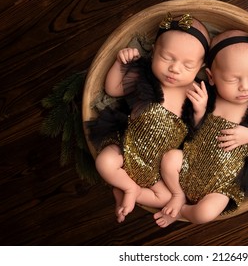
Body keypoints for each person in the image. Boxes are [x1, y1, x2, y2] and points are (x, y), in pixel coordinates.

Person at [154, 29, 248, 227]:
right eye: (232, 79)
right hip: (189, 162)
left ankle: (181, 211)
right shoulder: (209, 97)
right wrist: (199, 110)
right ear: (211, 77)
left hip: (222, 183)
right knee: (170, 158)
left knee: (205, 213)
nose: (245, 87)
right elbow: (192, 128)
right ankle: (177, 195)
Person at [86, 13, 210, 223]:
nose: (174, 68)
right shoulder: (145, 77)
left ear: (200, 68)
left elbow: (196, 134)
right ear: (153, 52)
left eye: (187, 66)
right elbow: (113, 89)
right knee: (104, 162)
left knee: (167, 197)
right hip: (126, 147)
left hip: (157, 167)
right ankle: (129, 187)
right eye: (167, 58)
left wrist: (200, 110)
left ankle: (130, 192)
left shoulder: (195, 93)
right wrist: (119, 63)